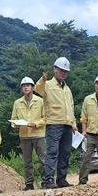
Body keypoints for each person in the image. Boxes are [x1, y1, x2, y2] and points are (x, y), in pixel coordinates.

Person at [35, 57, 77, 188]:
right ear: (55, 70)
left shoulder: (67, 89)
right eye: (61, 70)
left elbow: (70, 107)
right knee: (52, 152)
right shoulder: (47, 84)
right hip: (53, 123)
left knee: (65, 153)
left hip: (67, 124)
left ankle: (61, 179)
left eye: (66, 71)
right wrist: (42, 79)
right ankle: (47, 181)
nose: (63, 73)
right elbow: (37, 89)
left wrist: (73, 123)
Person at [10, 77, 46, 190]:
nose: (26, 87)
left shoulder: (40, 101)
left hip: (39, 134)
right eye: (24, 85)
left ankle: (46, 181)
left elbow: (45, 118)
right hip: (24, 135)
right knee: (27, 161)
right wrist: (16, 124)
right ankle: (29, 183)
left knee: (43, 159)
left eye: (28, 85)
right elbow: (13, 119)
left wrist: (35, 124)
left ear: (32, 87)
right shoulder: (17, 103)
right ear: (21, 88)